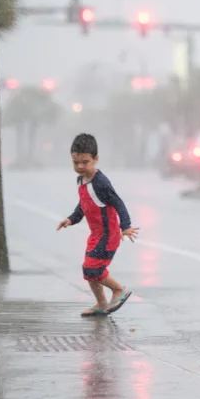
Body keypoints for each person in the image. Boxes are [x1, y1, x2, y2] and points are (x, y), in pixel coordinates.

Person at [57, 134, 139, 317]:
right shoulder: (81, 179)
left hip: (108, 235)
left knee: (93, 269)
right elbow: (84, 203)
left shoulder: (100, 182)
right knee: (89, 270)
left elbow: (118, 203)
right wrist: (71, 219)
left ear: (96, 159)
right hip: (96, 235)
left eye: (85, 162)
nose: (80, 166)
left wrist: (126, 226)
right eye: (75, 162)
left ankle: (119, 290)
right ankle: (101, 303)